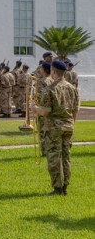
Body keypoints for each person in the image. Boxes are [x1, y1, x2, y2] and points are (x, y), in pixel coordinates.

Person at [32, 61, 79, 196]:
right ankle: (65, 186)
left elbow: (45, 112)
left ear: (53, 71)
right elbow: (75, 110)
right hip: (68, 126)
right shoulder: (72, 88)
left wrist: (35, 109)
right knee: (65, 157)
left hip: (54, 127)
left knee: (54, 157)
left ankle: (58, 188)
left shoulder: (50, 89)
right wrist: (71, 123)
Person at [37, 62, 53, 156]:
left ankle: (44, 150)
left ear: (44, 70)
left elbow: (39, 96)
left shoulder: (42, 81)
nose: (40, 70)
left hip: (43, 108)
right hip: (52, 109)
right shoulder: (53, 80)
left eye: (41, 68)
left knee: (42, 130)